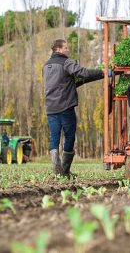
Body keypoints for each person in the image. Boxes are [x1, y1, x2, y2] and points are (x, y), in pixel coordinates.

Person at [43, 39, 106, 176]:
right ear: (58, 49)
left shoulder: (46, 66)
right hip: (65, 106)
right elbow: (82, 73)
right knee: (69, 136)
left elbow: (64, 83)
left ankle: (56, 168)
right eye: (66, 47)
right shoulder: (66, 62)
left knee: (54, 137)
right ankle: (65, 170)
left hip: (50, 107)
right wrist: (102, 72)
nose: (68, 50)